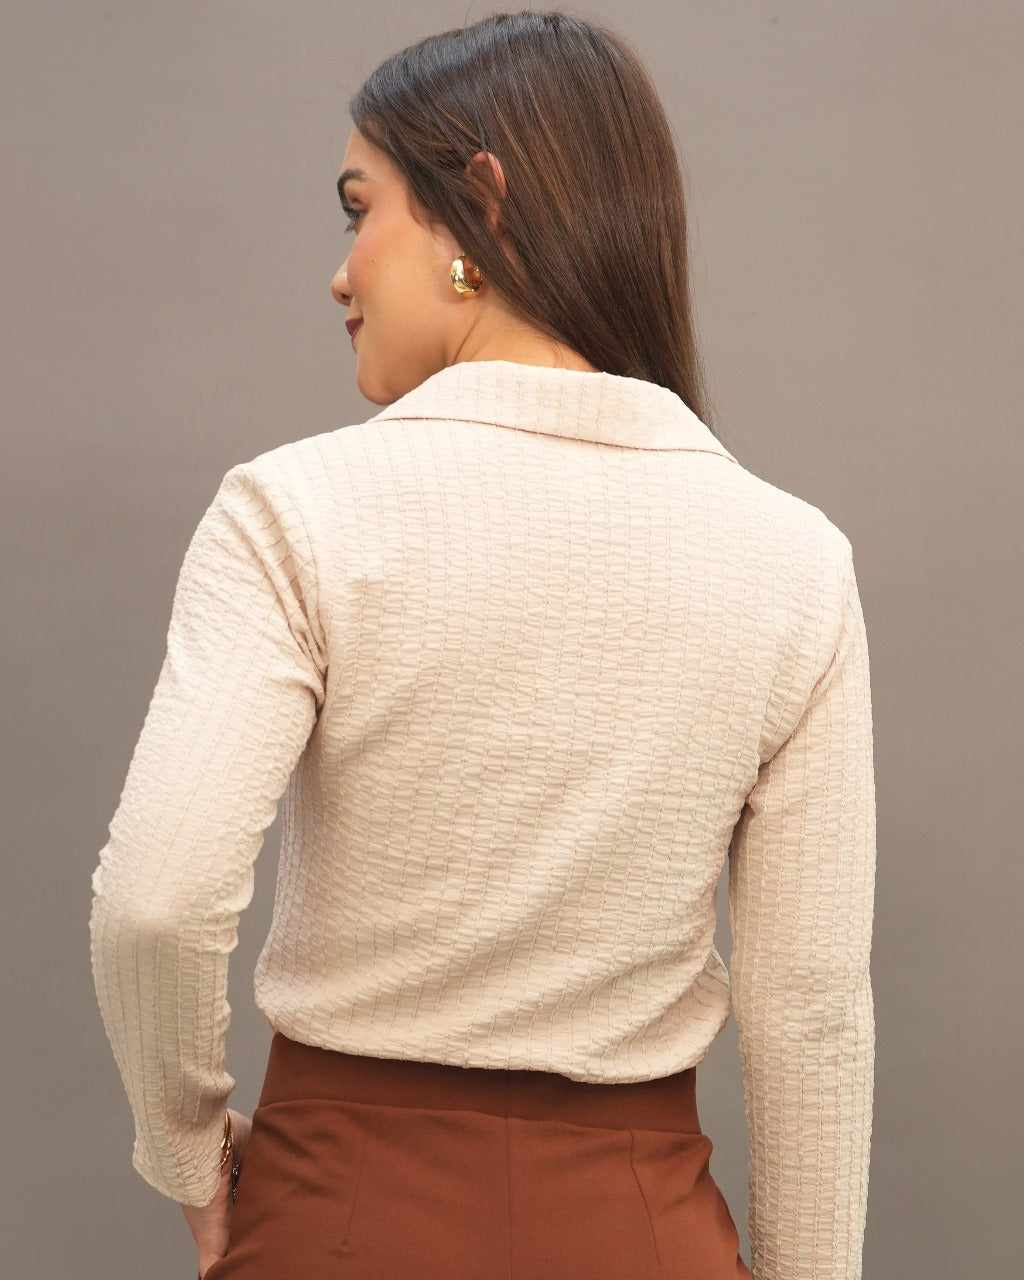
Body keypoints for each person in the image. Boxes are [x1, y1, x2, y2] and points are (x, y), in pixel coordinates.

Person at [89, 11, 876, 1280]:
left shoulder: (294, 510)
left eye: (360, 208)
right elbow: (812, 1016)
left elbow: (154, 903)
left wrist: (186, 1154)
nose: (340, 273)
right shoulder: (795, 560)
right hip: (642, 1234)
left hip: (335, 1216)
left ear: (482, 204)